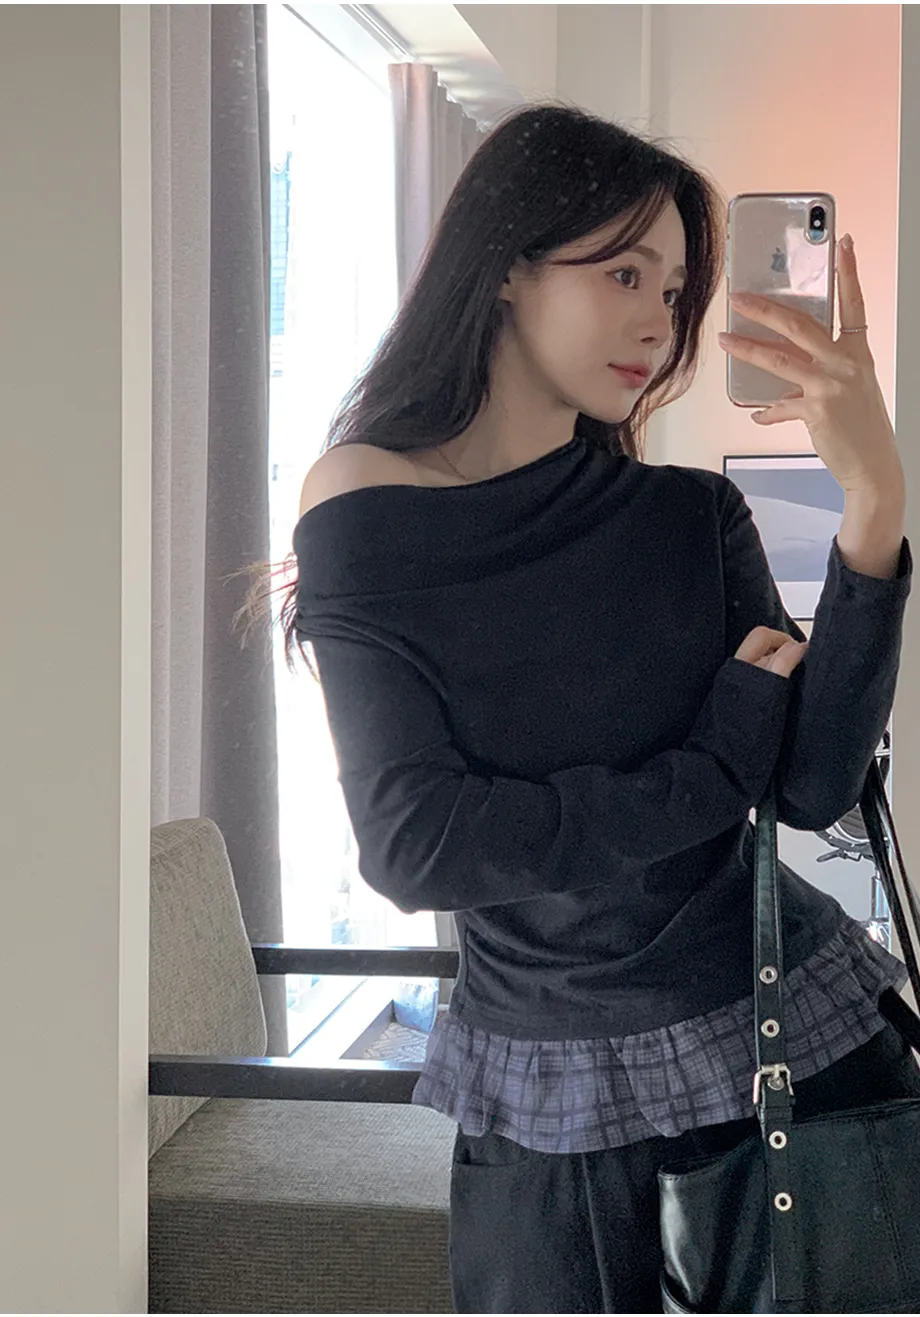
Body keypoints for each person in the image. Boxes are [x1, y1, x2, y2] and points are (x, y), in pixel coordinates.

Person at [279, 104, 918, 1312]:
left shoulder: (687, 518)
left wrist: (872, 503)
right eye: (622, 273)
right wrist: (714, 761)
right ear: (505, 266)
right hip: (541, 1099)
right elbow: (419, 847)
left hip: (789, 1049)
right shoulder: (363, 508)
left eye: (672, 291)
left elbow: (810, 785)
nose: (655, 322)